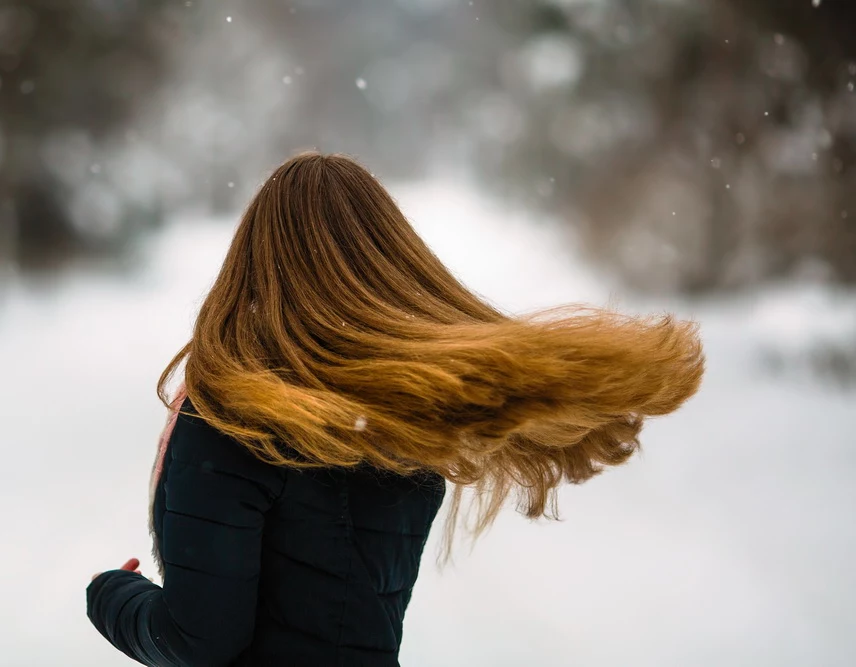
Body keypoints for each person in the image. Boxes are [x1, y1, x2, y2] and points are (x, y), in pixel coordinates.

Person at [86, 152, 704, 666]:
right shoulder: (405, 416)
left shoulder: (234, 419)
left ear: (253, 260)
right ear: (386, 262)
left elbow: (199, 640)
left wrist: (112, 595)